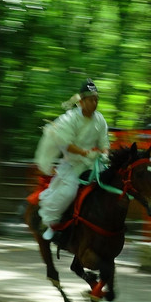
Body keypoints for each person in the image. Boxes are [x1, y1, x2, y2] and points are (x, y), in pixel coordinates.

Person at [34, 79, 110, 241]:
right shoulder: (70, 118)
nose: (95, 103)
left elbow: (104, 143)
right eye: (91, 100)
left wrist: (105, 154)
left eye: (97, 99)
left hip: (95, 164)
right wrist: (84, 153)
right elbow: (65, 143)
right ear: (81, 102)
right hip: (73, 165)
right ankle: (50, 222)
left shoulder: (100, 120)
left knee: (111, 187)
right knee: (68, 192)